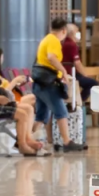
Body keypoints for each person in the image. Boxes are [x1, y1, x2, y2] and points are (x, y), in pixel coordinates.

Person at [31, 18, 86, 153]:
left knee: (41, 116)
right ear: (63, 31)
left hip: (39, 83)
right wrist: (63, 71)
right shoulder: (54, 41)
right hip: (48, 83)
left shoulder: (46, 39)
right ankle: (67, 142)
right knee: (61, 112)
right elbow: (51, 57)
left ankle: (24, 138)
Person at [0, 47, 47, 156]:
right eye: (1, 56)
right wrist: (14, 81)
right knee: (31, 103)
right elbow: (2, 93)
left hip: (8, 100)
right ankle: (23, 141)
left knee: (32, 103)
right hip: (2, 103)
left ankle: (27, 138)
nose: (3, 58)